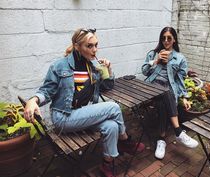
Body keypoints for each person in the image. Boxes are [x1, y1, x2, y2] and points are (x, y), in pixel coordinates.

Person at [24, 28, 145, 177]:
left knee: (112, 126)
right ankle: (125, 141)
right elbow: (47, 91)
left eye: (96, 45)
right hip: (63, 117)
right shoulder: (60, 66)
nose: (95, 50)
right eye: (89, 46)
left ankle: (106, 165)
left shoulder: (92, 68)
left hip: (81, 115)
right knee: (113, 107)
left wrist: (108, 69)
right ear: (77, 46)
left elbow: (107, 87)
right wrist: (33, 100)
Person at [141, 27, 198, 159]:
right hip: (151, 85)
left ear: (174, 40)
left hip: (167, 89)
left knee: (164, 99)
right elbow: (144, 71)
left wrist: (184, 96)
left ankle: (161, 140)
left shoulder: (180, 58)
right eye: (163, 38)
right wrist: (156, 61)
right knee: (166, 93)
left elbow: (180, 80)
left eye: (169, 38)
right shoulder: (153, 53)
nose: (166, 41)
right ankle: (178, 132)